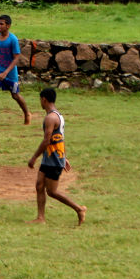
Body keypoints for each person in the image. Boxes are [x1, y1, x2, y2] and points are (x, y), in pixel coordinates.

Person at [27, 87, 86, 226]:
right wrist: (63, 157)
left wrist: (34, 157)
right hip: (51, 157)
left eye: (40, 100)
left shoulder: (50, 118)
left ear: (44, 99)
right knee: (39, 185)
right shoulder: (57, 115)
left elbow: (47, 140)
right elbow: (59, 138)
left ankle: (79, 209)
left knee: (52, 192)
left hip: (53, 160)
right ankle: (40, 218)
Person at [0, 14, 31, 128]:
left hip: (10, 72)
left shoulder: (13, 39)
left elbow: (16, 58)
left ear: (8, 26)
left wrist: (5, 73)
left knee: (15, 95)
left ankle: (27, 113)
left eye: (1, 24)